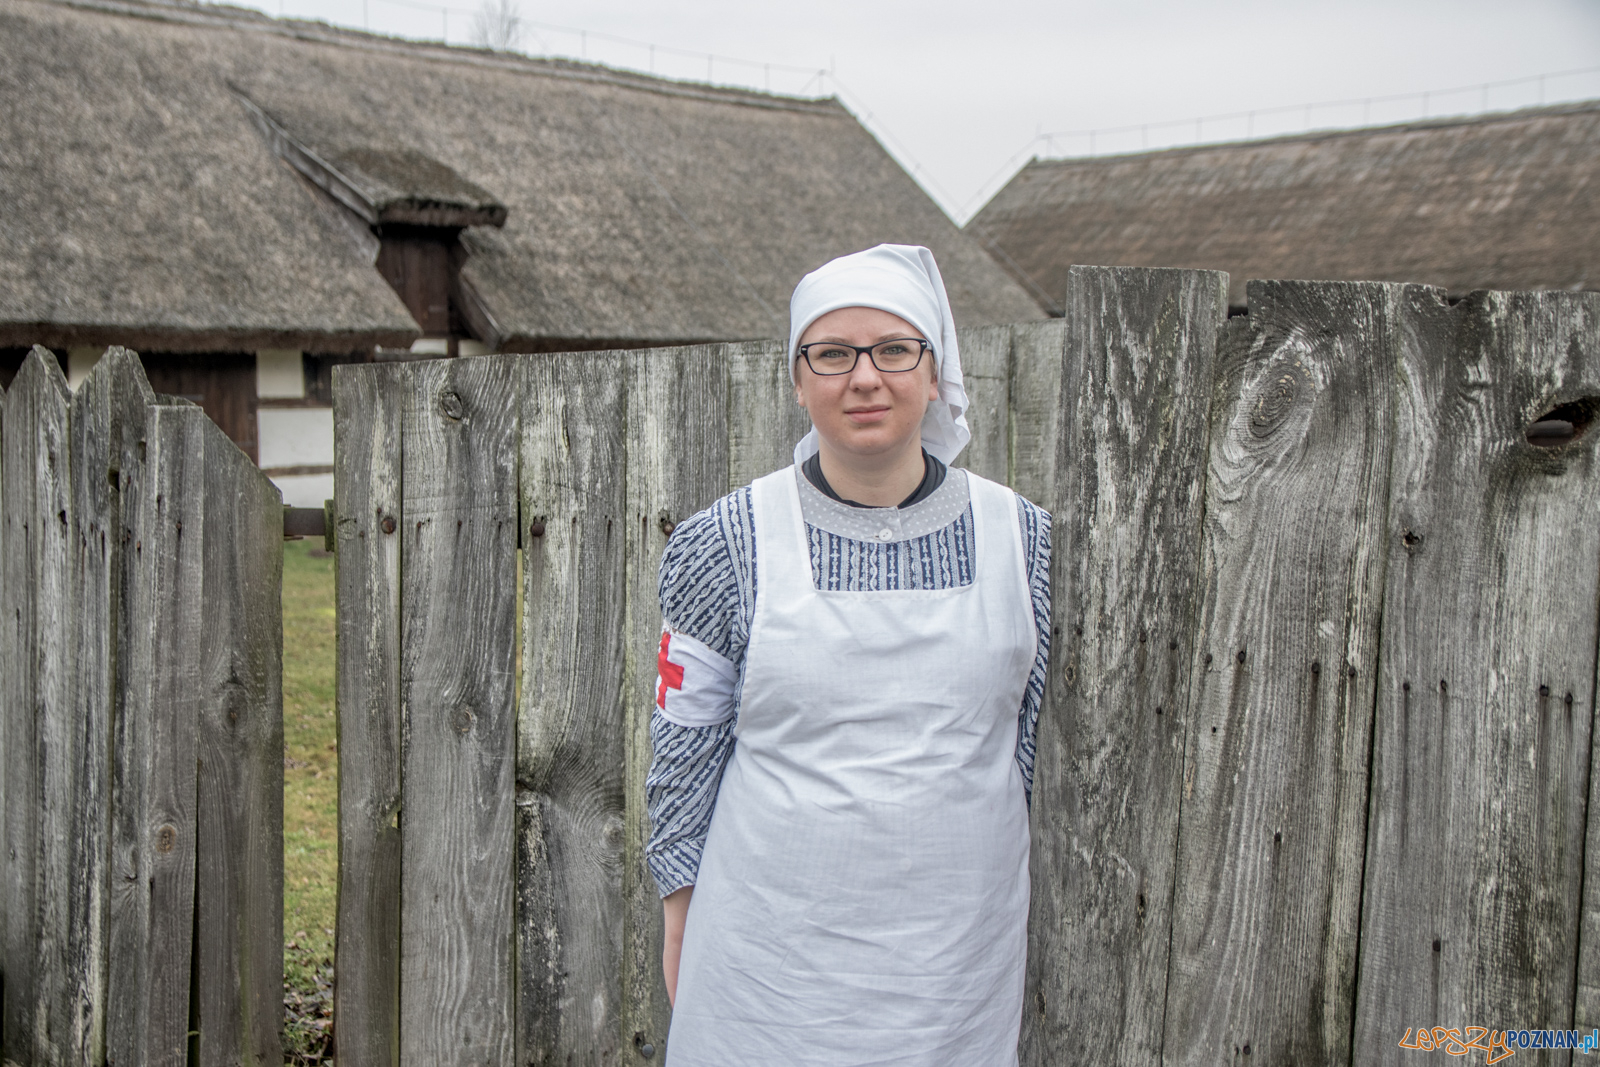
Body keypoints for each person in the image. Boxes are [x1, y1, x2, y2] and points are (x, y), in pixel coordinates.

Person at [645, 244, 1052, 1066]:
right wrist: (679, 904)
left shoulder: (1025, 540)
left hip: (956, 963)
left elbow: (1032, 737)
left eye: (895, 350)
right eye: (831, 354)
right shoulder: (725, 543)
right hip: (771, 961)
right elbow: (683, 740)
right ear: (798, 381)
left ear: (935, 373)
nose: (864, 376)